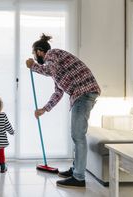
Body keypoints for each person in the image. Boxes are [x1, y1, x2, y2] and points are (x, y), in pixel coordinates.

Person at [26, 34, 101, 188]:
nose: (34, 56)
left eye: (34, 54)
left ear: (40, 51)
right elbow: (58, 93)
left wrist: (32, 66)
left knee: (78, 136)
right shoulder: (57, 67)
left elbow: (48, 70)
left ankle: (79, 178)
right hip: (81, 94)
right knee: (76, 135)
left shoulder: (53, 54)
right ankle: (76, 170)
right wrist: (44, 109)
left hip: (84, 93)